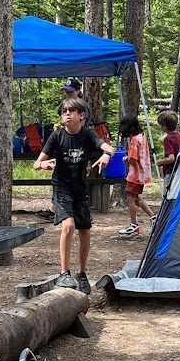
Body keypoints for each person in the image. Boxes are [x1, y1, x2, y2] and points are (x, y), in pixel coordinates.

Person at [36, 94, 116, 293]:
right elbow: (37, 163)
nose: (67, 114)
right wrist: (43, 164)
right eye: (64, 112)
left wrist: (106, 156)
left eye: (71, 111)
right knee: (68, 225)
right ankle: (64, 274)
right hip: (62, 186)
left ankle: (81, 274)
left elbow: (109, 148)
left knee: (85, 231)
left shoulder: (88, 135)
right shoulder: (56, 137)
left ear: (82, 115)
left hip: (80, 187)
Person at [116, 115, 156, 237]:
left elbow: (133, 159)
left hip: (135, 174)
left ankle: (134, 225)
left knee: (130, 198)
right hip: (142, 173)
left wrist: (125, 158)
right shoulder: (142, 136)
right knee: (136, 198)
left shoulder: (134, 140)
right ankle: (154, 218)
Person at [157, 110, 180, 178]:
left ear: (165, 126)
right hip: (179, 170)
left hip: (171, 172)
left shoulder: (168, 139)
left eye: (160, 124)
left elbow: (171, 158)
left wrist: (160, 162)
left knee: (168, 189)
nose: (159, 126)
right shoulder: (178, 136)